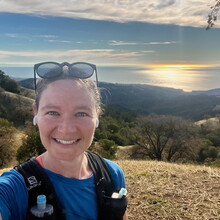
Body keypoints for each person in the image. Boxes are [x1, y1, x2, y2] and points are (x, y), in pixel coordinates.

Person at [0, 62, 128, 220]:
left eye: (81, 113)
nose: (66, 129)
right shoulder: (15, 188)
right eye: (53, 112)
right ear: (36, 113)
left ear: (97, 116)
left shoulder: (112, 173)